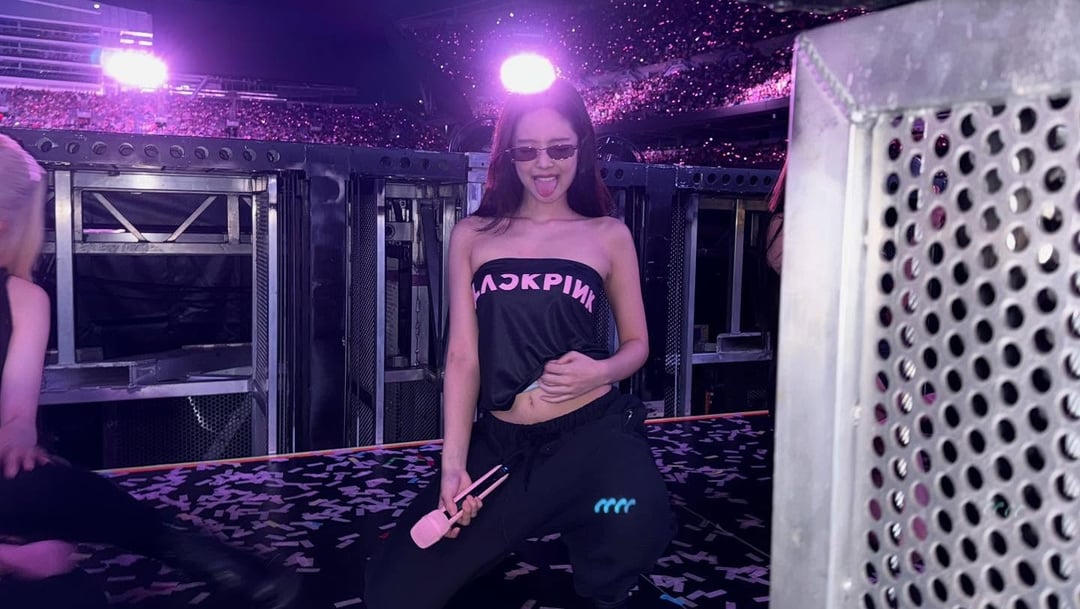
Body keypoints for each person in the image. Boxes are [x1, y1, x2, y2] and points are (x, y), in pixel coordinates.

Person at [364, 79, 676, 609]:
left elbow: (638, 345)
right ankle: (535, 516)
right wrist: (453, 467)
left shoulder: (607, 234)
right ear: (508, 156)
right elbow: (462, 357)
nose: (544, 164)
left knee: (636, 516)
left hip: (592, 438)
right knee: (394, 596)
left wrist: (601, 372)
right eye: (527, 150)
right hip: (505, 447)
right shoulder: (474, 234)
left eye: (560, 149)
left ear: (581, 147)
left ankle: (594, 521)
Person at [0, 134, 300, 609]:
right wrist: (18, 561)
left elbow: (16, 414)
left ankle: (204, 557)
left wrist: (18, 435)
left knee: (50, 490)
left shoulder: (23, 300)